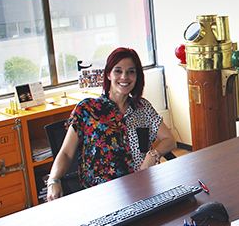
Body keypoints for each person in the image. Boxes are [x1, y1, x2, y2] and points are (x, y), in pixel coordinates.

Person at [46, 47, 177, 201]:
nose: (124, 77)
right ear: (108, 74)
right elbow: (66, 153)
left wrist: (152, 155)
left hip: (142, 188)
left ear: (137, 77)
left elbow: (170, 140)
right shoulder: (87, 110)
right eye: (118, 71)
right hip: (102, 195)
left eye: (131, 71)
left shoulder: (142, 107)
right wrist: (53, 180)